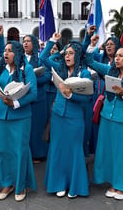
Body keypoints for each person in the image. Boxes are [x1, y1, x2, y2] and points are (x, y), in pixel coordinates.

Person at [0, 31, 37, 202]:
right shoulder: (2, 66)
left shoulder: (27, 69)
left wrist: (16, 103)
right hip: (2, 116)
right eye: (5, 50)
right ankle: (7, 183)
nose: (6, 53)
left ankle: (20, 184)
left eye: (10, 51)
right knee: (2, 150)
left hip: (21, 117)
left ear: (17, 53)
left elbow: (33, 93)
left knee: (19, 150)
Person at [85, 40, 123, 201]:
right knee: (109, 153)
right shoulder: (109, 70)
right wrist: (91, 44)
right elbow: (89, 60)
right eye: (116, 56)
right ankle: (113, 182)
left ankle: (122, 185)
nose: (116, 58)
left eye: (120, 56)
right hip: (107, 119)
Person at [41, 33, 92, 198]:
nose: (68, 56)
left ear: (77, 55)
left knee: (74, 150)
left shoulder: (84, 73)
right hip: (57, 116)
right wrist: (52, 42)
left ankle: (74, 185)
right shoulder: (59, 69)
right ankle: (59, 183)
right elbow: (42, 58)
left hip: (75, 118)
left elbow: (87, 98)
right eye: (66, 53)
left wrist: (70, 95)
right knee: (57, 149)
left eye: (71, 53)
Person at [82, 26, 121, 154]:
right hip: (99, 98)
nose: (108, 46)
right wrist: (90, 40)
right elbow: (86, 57)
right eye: (107, 44)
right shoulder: (100, 59)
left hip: (118, 100)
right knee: (97, 126)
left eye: (112, 44)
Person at [23, 34, 51, 163]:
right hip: (24, 98)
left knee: (38, 127)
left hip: (39, 99)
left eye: (28, 41)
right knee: (26, 127)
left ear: (34, 44)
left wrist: (32, 79)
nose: (26, 43)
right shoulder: (20, 59)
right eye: (24, 41)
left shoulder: (40, 60)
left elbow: (47, 76)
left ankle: (38, 153)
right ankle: (26, 153)